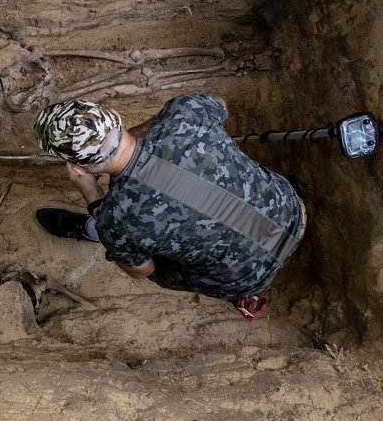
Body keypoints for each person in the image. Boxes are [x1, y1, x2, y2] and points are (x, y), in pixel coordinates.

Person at [33, 95, 306, 319]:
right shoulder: (184, 112)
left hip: (246, 279)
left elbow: (142, 271)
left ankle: (99, 232)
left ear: (78, 168)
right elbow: (221, 105)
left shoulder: (116, 218)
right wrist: (157, 126)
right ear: (115, 115)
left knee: (136, 254)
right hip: (291, 214)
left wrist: (91, 192)